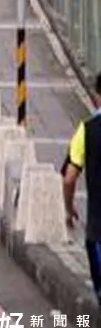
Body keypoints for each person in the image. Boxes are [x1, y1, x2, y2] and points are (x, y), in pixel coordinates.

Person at [60, 73, 101, 304]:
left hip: (97, 232)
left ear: (96, 96)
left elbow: (69, 178)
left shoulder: (86, 130)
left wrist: (68, 207)